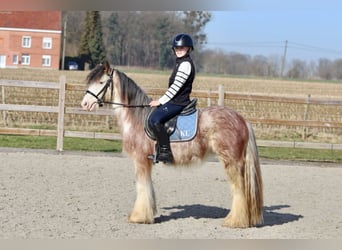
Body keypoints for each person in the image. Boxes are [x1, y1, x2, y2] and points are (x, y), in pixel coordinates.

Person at [148, 33, 196, 164]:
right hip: (174, 100)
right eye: (177, 48)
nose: (179, 50)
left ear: (189, 49)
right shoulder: (180, 63)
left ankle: (165, 152)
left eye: (182, 48)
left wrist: (160, 101)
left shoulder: (186, 64)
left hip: (178, 102)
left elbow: (176, 87)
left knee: (154, 119)